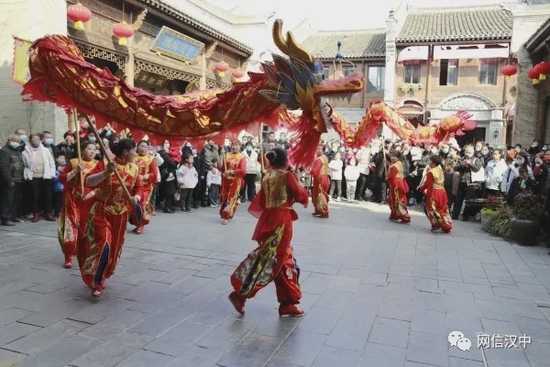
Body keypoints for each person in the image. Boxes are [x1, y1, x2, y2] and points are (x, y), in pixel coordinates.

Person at [228, 148, 309, 317]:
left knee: (275, 260)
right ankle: (244, 294)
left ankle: (286, 302)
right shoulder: (287, 176)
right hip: (282, 222)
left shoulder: (267, 177)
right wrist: (297, 180)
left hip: (267, 220)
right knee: (277, 260)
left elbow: (262, 202)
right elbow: (301, 195)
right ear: (285, 160)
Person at [78, 139, 139, 297]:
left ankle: (104, 274)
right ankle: (96, 282)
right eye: (134, 150)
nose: (136, 153)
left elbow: (138, 189)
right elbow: (88, 181)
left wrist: (136, 198)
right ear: (125, 152)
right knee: (104, 244)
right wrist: (106, 173)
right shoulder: (106, 163)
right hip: (102, 211)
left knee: (115, 248)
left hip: (121, 215)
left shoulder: (134, 168)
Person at [58, 141, 98, 269]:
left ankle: (84, 252)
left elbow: (102, 184)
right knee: (71, 226)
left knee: (86, 228)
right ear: (82, 150)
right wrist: (75, 171)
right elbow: (62, 178)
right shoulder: (74, 162)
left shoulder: (98, 164)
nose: (92, 151)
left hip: (90, 200)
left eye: (94, 149)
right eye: (89, 149)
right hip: (73, 199)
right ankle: (68, 255)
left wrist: (92, 193)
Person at [22, 133, 56, 222]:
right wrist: (27, 174)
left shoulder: (46, 150)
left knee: (48, 196)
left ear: (40, 140)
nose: (35, 141)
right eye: (33, 139)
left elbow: (51, 162)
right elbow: (25, 165)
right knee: (35, 196)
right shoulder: (25, 151)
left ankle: (48, 213)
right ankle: (36, 214)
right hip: (34, 177)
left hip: (46, 176)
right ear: (30, 141)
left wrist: (52, 174)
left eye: (37, 139)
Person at [419, 155, 453, 233]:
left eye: (430, 161)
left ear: (433, 162)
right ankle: (446, 224)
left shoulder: (431, 172)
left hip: (434, 192)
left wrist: (421, 189)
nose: (429, 163)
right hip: (442, 192)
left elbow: (428, 184)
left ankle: (436, 225)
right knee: (442, 209)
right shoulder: (440, 169)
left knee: (431, 209)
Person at [132, 140, 158, 234]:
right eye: (141, 146)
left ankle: (141, 225)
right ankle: (137, 223)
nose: (143, 148)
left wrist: (146, 176)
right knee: (133, 206)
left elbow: (154, 174)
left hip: (145, 187)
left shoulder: (151, 159)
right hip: (133, 186)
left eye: (145, 147)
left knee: (142, 205)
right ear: (137, 147)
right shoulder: (133, 157)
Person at [219, 141, 246, 224]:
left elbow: (243, 171)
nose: (234, 147)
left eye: (237, 145)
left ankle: (226, 216)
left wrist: (232, 172)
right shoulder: (226, 155)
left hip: (235, 181)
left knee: (231, 198)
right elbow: (221, 167)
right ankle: (225, 214)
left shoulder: (242, 157)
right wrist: (220, 156)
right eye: (233, 145)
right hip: (226, 181)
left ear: (240, 147)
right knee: (224, 197)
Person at [0, 135, 24, 226]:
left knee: (15, 199)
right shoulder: (4, 151)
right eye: (15, 140)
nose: (17, 143)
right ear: (9, 140)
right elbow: (3, 167)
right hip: (9, 179)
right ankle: (5, 218)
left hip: (18, 179)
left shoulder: (17, 150)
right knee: (7, 199)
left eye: (18, 141)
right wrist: (9, 180)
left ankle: (13, 216)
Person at [386, 152, 411, 223]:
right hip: (397, 183)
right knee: (394, 199)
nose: (392, 158)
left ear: (397, 157)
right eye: (391, 156)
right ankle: (395, 215)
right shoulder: (399, 163)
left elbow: (391, 176)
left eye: (394, 156)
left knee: (397, 200)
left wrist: (387, 177)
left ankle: (404, 216)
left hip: (396, 184)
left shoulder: (395, 166)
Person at [310, 146, 330, 218]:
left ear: (322, 150)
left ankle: (324, 212)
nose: (317, 150)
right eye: (317, 149)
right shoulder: (325, 157)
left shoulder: (319, 159)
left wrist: (310, 171)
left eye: (319, 149)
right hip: (325, 177)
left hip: (319, 178)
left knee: (319, 195)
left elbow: (315, 171)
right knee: (319, 194)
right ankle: (318, 210)